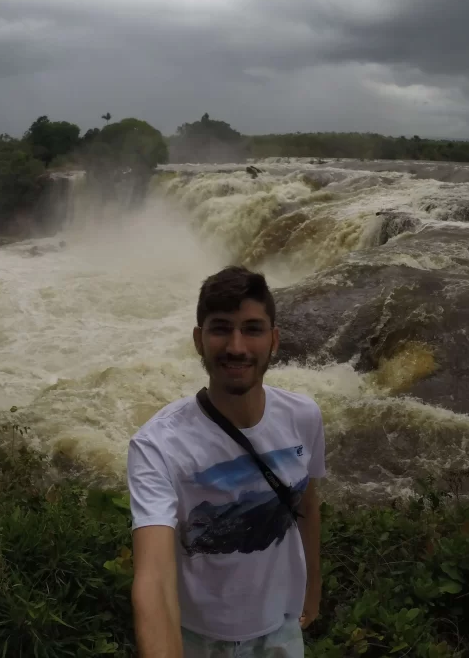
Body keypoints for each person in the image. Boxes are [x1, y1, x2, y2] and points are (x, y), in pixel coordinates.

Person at [127, 266, 326, 657]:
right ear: (199, 340)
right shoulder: (157, 445)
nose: (237, 346)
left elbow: (307, 504)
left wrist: (313, 588)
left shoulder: (303, 417)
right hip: (197, 639)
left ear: (274, 340)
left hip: (280, 633)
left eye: (252, 329)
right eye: (221, 328)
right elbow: (154, 580)